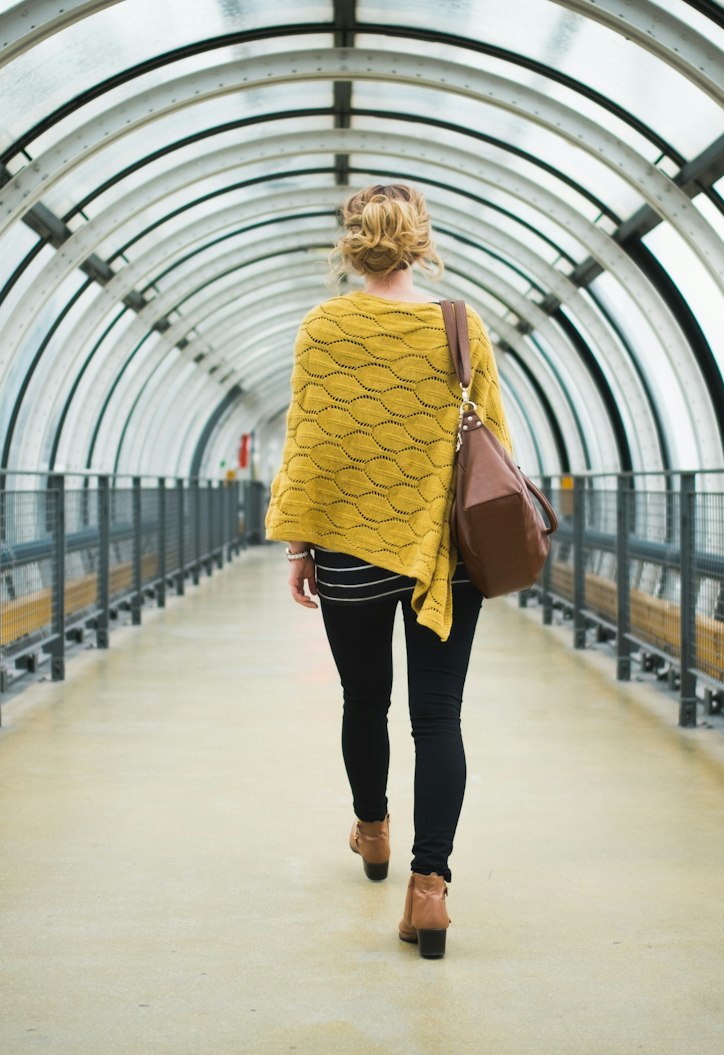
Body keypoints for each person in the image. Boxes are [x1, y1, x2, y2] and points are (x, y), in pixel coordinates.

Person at [263, 183, 512, 960]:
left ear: (351, 245)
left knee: (363, 699)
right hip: (444, 555)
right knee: (438, 716)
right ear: (421, 242)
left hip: (352, 553)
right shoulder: (460, 325)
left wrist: (303, 545)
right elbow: (495, 440)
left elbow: (310, 442)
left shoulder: (323, 328)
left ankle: (371, 829)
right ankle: (428, 890)